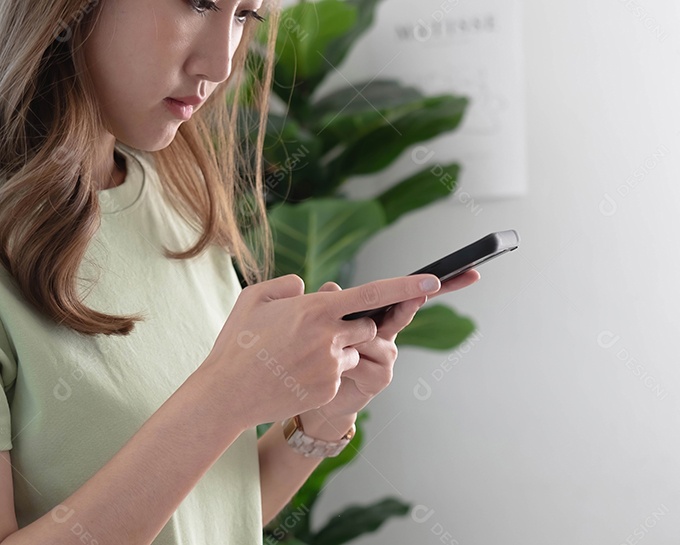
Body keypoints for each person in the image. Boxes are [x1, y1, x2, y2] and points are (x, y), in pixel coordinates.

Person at [0, 0, 480, 543]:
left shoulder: (178, 207)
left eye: (244, 15)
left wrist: (322, 418)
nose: (220, 65)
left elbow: (213, 513)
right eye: (199, 2)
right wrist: (221, 399)